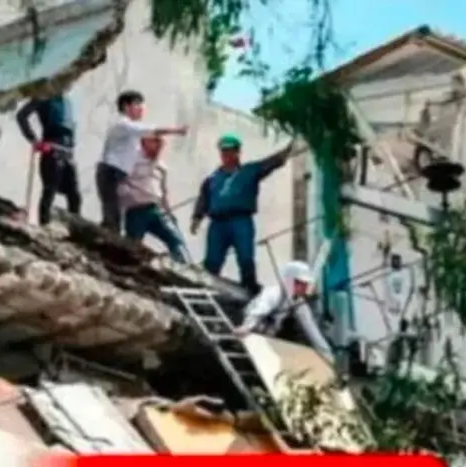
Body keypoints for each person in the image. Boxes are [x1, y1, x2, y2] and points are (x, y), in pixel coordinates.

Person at [191, 135, 294, 294]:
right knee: (212, 260)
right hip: (218, 224)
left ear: (238, 153)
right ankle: (206, 288)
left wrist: (288, 150)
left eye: (230, 151)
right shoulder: (212, 179)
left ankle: (250, 286)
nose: (226, 155)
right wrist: (196, 218)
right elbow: (203, 199)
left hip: (241, 221)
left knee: (246, 258)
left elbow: (271, 163)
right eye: (224, 152)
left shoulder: (249, 171)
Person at [98, 90, 187, 233]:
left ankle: (106, 237)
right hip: (110, 172)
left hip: (116, 174)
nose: (141, 108)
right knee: (112, 214)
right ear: (126, 107)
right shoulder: (123, 124)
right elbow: (152, 131)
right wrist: (177, 130)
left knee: (114, 213)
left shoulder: (131, 131)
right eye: (137, 104)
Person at [234, 260, 334, 363]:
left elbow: (312, 331)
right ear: (290, 281)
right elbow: (258, 311)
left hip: (267, 337)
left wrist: (329, 357)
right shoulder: (274, 293)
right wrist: (246, 327)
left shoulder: (298, 303)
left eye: (305, 284)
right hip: (246, 326)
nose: (303, 288)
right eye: (299, 283)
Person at [118, 135, 188, 263]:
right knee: (133, 246)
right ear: (144, 142)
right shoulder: (131, 160)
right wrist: (129, 198)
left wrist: (169, 212)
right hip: (136, 211)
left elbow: (164, 192)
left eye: (161, 143)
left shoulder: (161, 166)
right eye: (155, 142)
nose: (159, 146)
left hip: (156, 210)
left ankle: (185, 268)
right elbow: (120, 185)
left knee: (176, 239)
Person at [16, 92, 81, 225]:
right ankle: (44, 225)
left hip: (68, 152)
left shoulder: (66, 99)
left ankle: (75, 227)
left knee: (74, 195)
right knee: (50, 191)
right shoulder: (43, 97)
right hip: (51, 150)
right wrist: (34, 140)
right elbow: (21, 116)